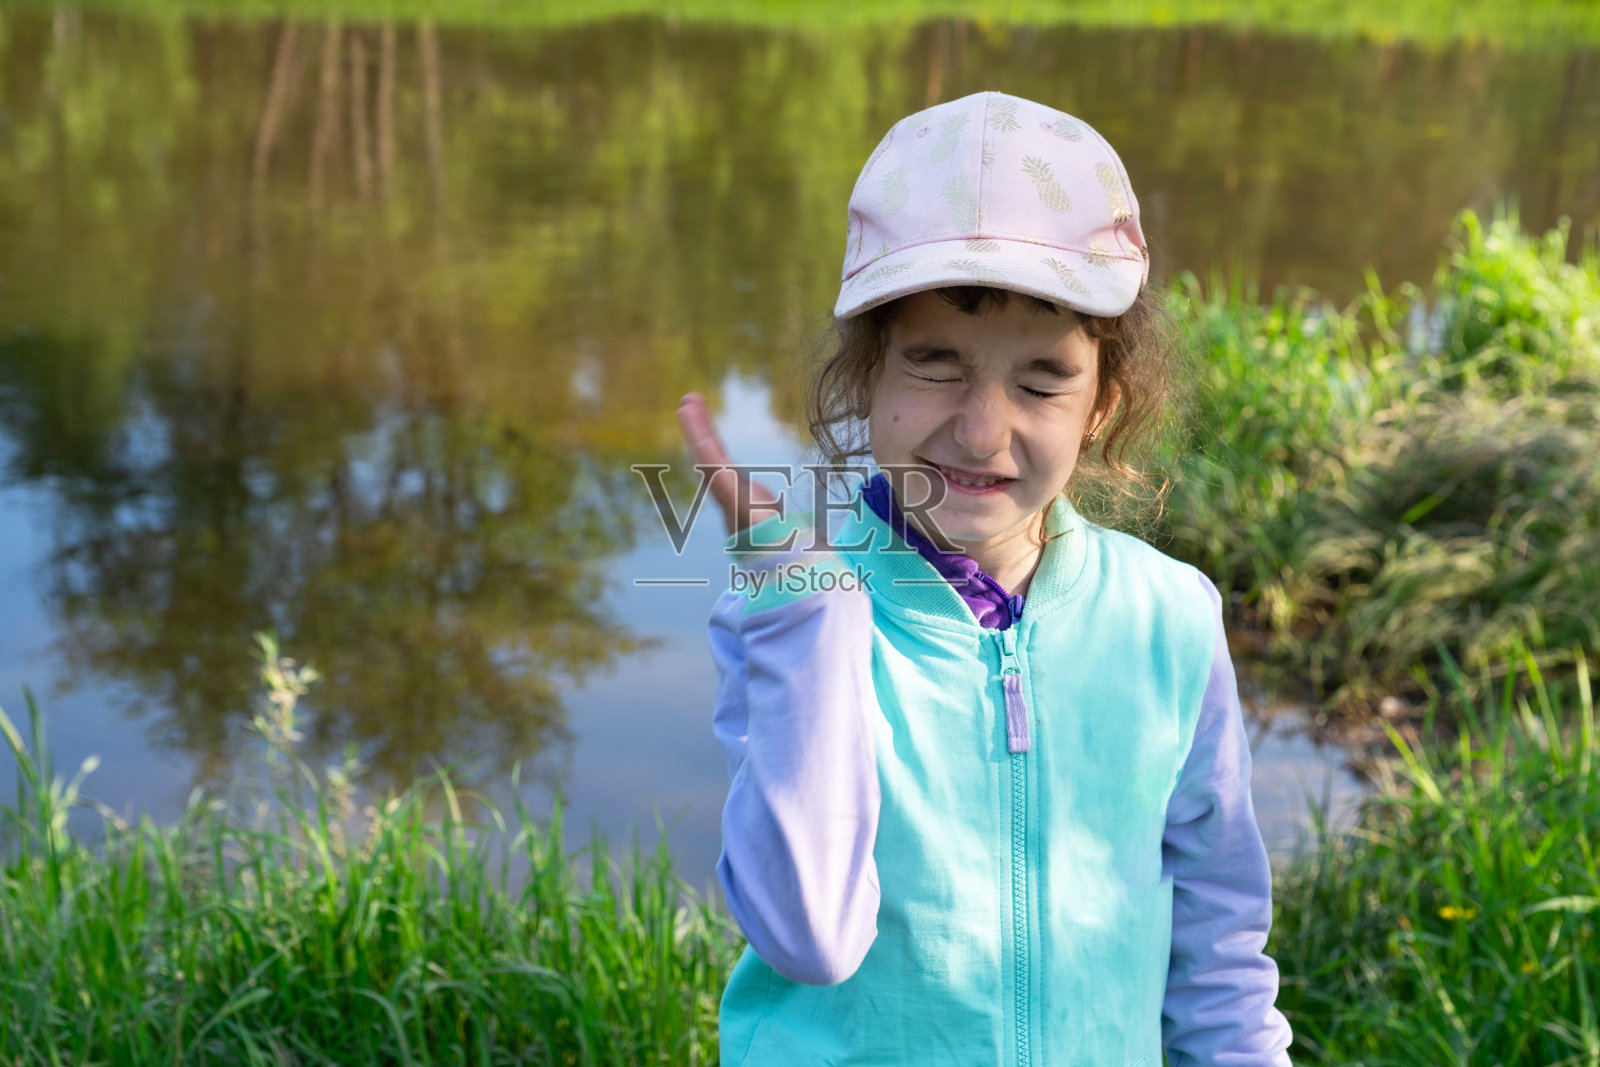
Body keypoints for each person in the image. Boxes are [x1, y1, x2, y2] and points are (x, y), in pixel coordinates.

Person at [677, 91, 1294, 1067]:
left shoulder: (1169, 620)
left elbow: (1217, 947)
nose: (980, 431)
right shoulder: (795, 617)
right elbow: (808, 936)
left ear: (1103, 405)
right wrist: (805, 611)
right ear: (866, 376)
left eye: (1041, 380)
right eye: (936, 365)